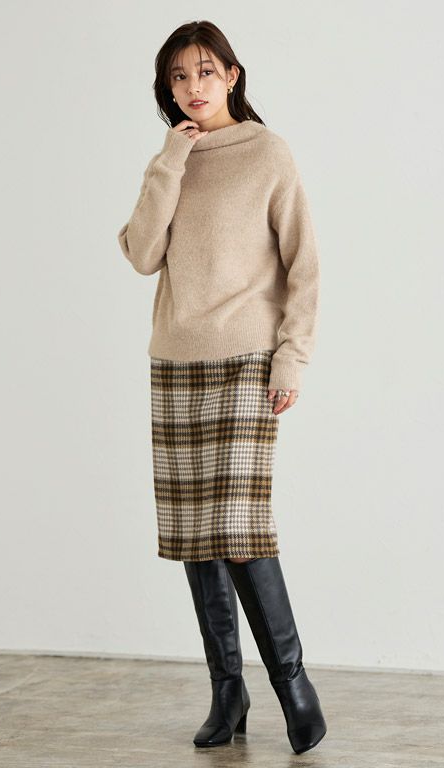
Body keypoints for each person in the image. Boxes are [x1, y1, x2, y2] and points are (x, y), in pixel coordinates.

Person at [117, 20, 327, 755]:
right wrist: (170, 161)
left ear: (232, 75)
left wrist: (291, 359)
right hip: (177, 362)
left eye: (205, 71)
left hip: (246, 360)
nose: (192, 87)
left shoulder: (268, 153)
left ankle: (294, 686)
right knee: (196, 537)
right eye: (178, 77)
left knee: (239, 529)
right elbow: (141, 253)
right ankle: (227, 692)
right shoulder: (172, 157)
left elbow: (304, 264)